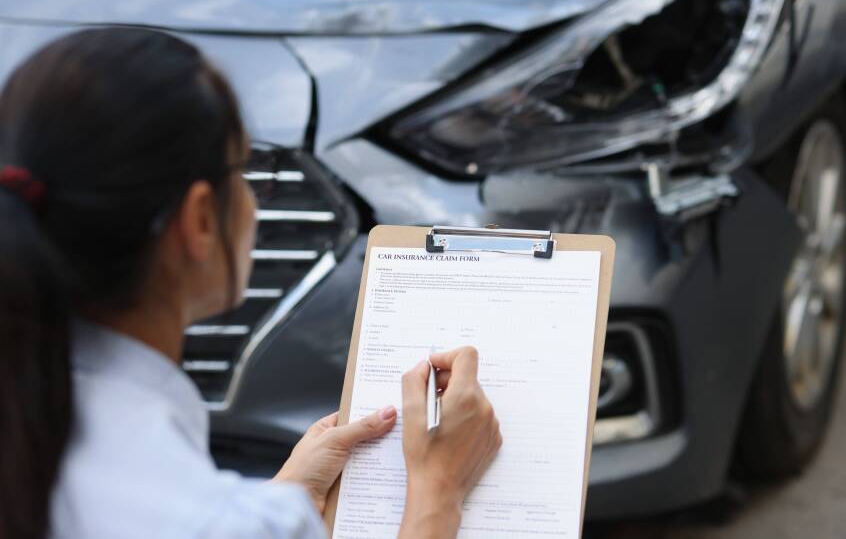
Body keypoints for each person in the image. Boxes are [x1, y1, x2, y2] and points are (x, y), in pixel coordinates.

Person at [0, 27, 502, 539]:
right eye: (247, 171)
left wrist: (292, 491)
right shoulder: (225, 521)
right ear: (200, 219)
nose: (254, 201)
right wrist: (439, 489)